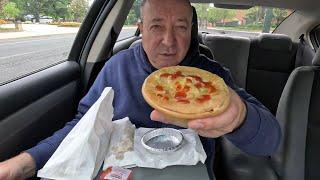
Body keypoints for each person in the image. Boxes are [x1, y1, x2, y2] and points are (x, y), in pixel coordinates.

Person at [0, 0, 281, 179]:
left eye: (181, 28)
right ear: (141, 28)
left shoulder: (211, 79)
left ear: (191, 31)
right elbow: (82, 128)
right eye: (157, 26)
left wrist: (239, 117)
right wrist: (26, 162)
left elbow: (269, 140)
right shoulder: (116, 67)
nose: (169, 41)